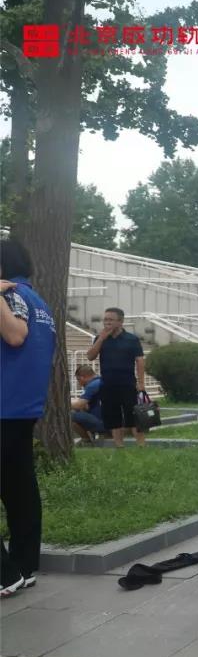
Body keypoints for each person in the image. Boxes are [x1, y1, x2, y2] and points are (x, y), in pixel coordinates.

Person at [1, 238, 57, 598]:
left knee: (18, 487)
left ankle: (5, 574)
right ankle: (23, 566)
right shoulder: (38, 301)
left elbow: (15, 335)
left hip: (4, 404)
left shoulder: (9, 295)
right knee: (19, 488)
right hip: (23, 407)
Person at [85, 307, 147, 448]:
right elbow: (90, 356)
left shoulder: (132, 339)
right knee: (113, 417)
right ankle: (119, 446)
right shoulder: (100, 338)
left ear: (120, 321)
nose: (107, 322)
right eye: (105, 320)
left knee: (134, 415)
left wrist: (141, 383)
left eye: (111, 320)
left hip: (128, 384)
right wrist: (101, 339)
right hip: (107, 384)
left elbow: (140, 361)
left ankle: (141, 445)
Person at [70, 365, 104, 445]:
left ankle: (86, 440)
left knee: (68, 416)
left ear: (82, 377)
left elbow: (79, 405)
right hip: (111, 421)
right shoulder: (101, 381)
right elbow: (86, 406)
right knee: (79, 412)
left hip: (101, 422)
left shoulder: (92, 386)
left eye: (78, 380)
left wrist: (64, 403)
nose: (79, 383)